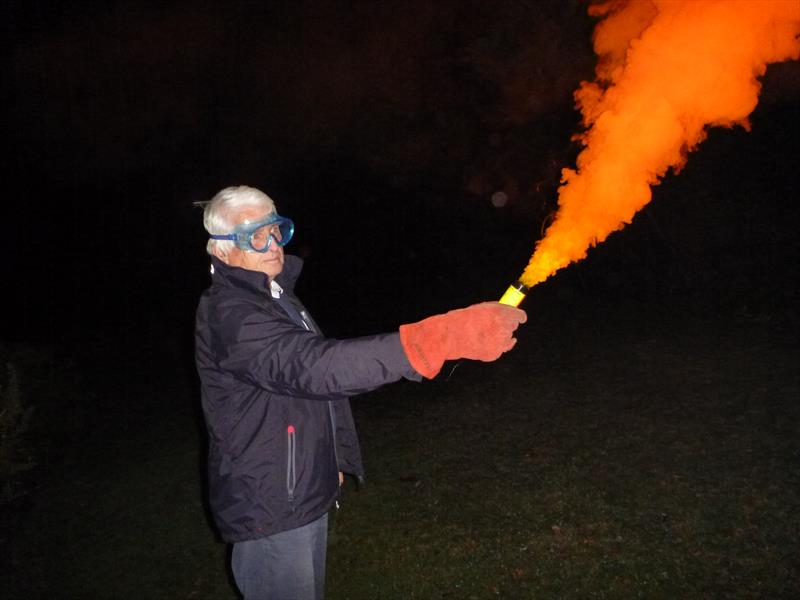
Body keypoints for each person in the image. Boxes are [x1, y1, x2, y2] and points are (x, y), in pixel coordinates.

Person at [195, 185, 526, 599]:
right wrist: (435, 339)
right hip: (270, 505)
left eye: (277, 229)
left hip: (297, 488)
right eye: (255, 235)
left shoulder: (275, 296)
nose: (273, 244)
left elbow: (301, 394)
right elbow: (315, 367)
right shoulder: (232, 314)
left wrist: (328, 458)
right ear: (222, 250)